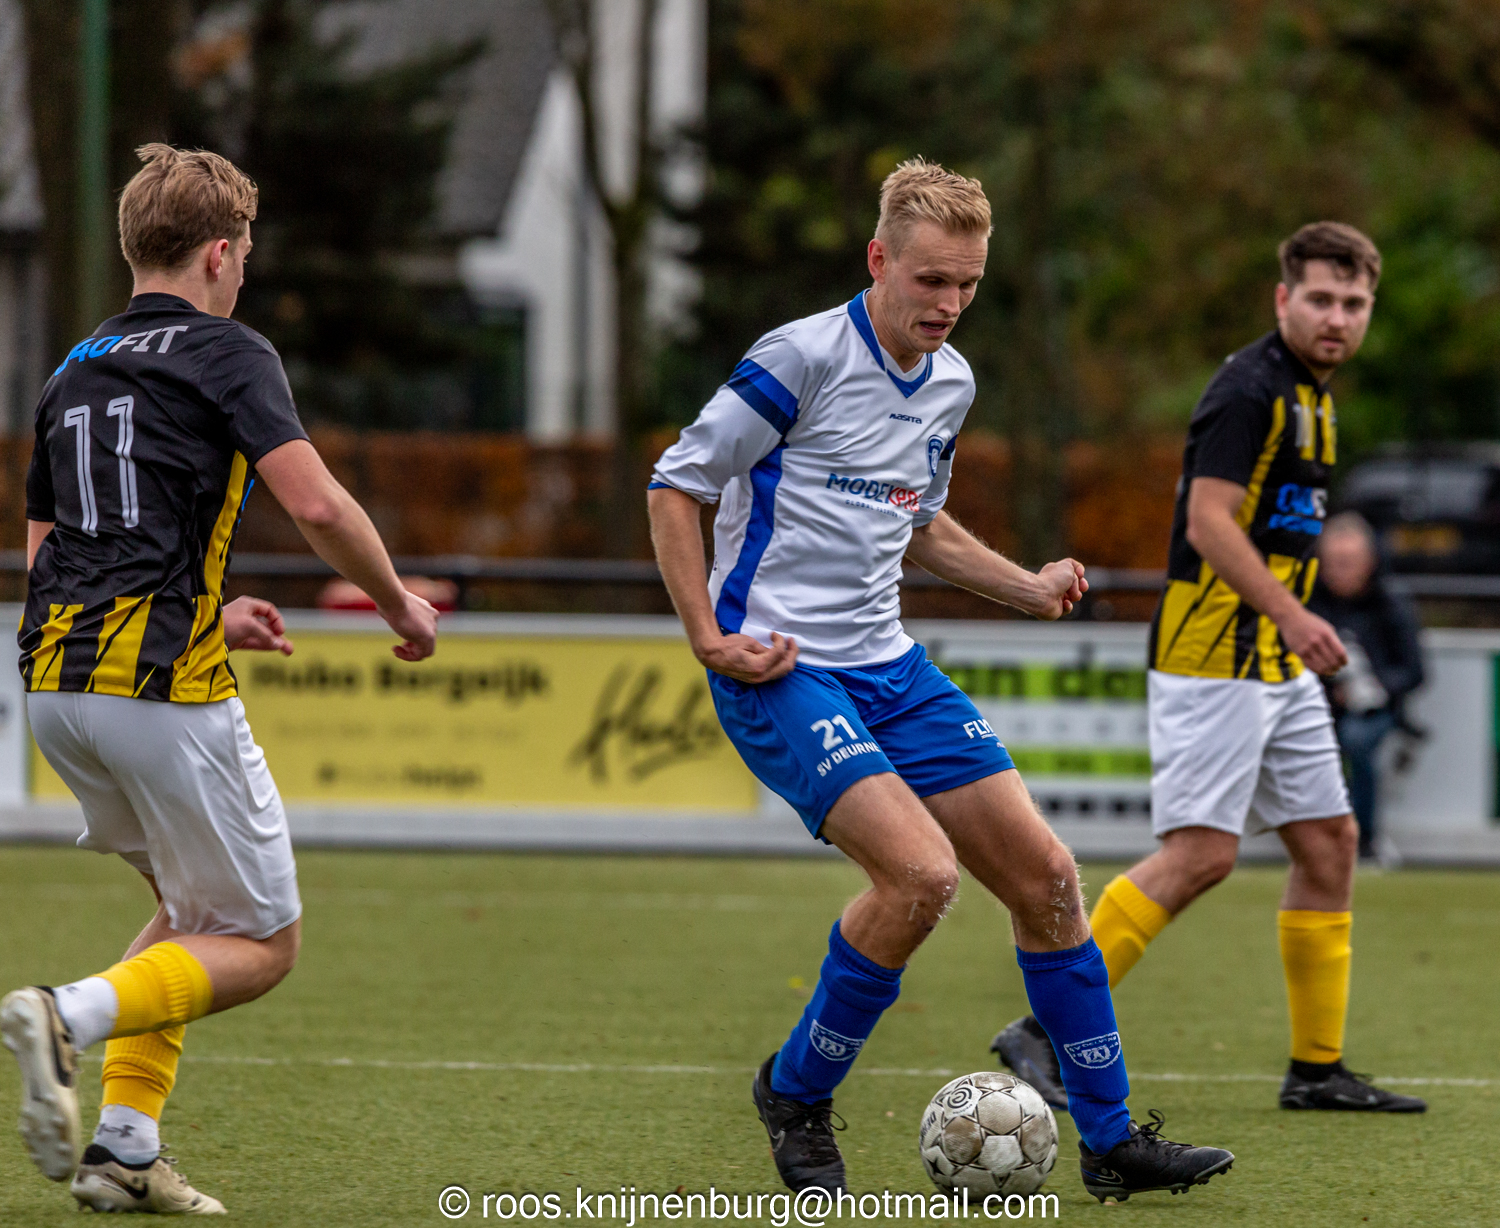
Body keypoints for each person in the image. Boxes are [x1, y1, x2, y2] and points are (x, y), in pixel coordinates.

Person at [647, 158, 1234, 1204]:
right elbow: (674, 485)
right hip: (782, 668)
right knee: (921, 877)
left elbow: (918, 523)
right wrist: (706, 637)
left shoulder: (951, 381)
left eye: (967, 284)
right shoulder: (798, 358)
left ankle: (1109, 1144)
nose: (950, 304)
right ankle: (795, 1093)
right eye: (930, 280)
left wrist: (1028, 586)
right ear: (878, 259)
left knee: (1049, 881)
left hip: (891, 666)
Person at [0, 144, 439, 1214]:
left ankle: (124, 1147)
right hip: (156, 689)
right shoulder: (230, 350)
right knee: (262, 943)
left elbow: (48, 551)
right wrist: (397, 602)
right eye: (244, 253)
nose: (243, 270)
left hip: (55, 685)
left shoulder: (72, 369)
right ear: (218, 254)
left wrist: (212, 613)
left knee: (189, 910)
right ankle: (64, 1014)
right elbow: (318, 504)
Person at [991, 222, 1426, 1115]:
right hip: (1213, 655)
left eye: (1353, 303)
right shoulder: (1249, 390)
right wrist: (1297, 614)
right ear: (1283, 299)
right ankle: (1039, 1032)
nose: (1338, 317)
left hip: (1274, 660)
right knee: (1200, 856)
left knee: (1330, 841)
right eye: (1321, 299)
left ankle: (1316, 1070)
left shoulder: (1315, 398)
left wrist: (1290, 627)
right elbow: (1208, 525)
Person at [1309, 512, 1425, 862]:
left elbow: (1415, 671)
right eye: (1333, 563)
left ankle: (1364, 838)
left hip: (1377, 709)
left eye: (1349, 562)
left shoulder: (1391, 604)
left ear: (1370, 561)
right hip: (1317, 705)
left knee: (1357, 739)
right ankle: (1310, 836)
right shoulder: (1309, 602)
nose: (1340, 571)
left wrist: (1375, 688)